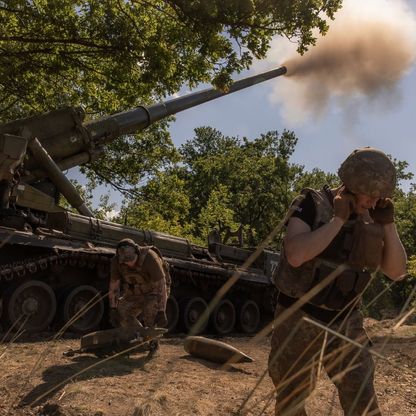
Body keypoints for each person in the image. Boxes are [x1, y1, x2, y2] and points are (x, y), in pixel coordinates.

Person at [268, 147, 407, 416]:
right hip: (299, 317)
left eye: (381, 195)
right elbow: (295, 255)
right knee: (291, 400)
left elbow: (396, 272)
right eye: (370, 192)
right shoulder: (311, 203)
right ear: (352, 184)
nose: (374, 200)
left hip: (345, 321)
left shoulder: (373, 216)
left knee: (362, 399)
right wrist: (337, 220)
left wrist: (388, 226)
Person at [108, 238, 169, 351]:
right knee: (121, 310)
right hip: (135, 292)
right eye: (125, 261)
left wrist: (161, 311)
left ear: (137, 251)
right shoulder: (117, 261)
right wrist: (113, 309)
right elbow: (114, 287)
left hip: (154, 292)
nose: (129, 263)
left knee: (150, 311)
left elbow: (161, 286)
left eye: (131, 260)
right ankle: (139, 338)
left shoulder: (149, 258)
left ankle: (153, 341)